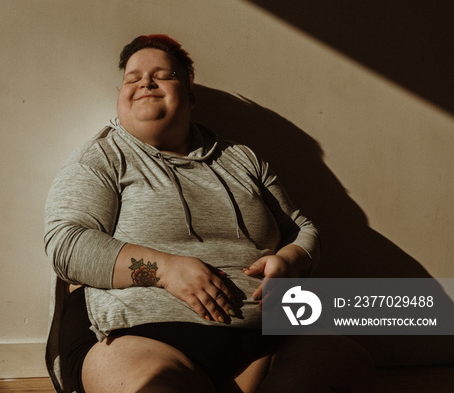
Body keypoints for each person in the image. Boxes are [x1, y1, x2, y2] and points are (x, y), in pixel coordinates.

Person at [44, 35, 361, 392]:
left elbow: (302, 229)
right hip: (142, 338)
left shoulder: (242, 158)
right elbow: (66, 245)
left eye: (162, 75)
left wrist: (291, 259)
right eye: (133, 78)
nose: (145, 82)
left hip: (266, 337)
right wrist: (165, 270)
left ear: (190, 94)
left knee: (343, 361)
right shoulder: (102, 156)